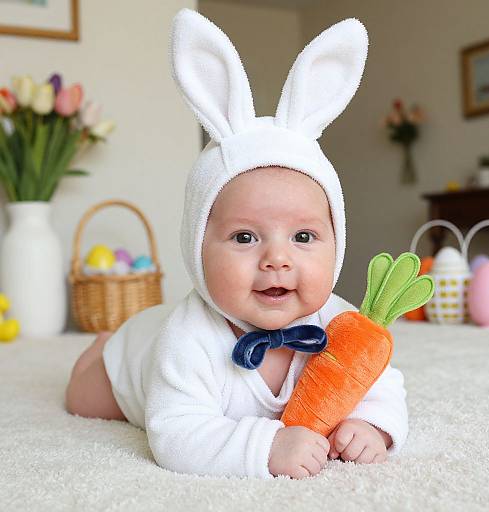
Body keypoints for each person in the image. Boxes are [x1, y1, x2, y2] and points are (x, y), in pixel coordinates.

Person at [65, 8, 408, 480]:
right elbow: (176, 436)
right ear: (198, 245)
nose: (277, 260)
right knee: (83, 399)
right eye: (245, 237)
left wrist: (373, 425)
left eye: (303, 236)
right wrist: (265, 447)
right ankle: (102, 345)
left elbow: (380, 381)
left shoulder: (339, 321)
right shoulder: (187, 340)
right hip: (134, 360)